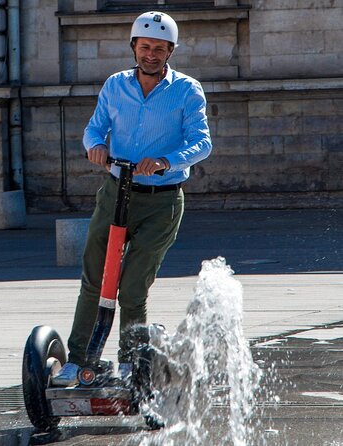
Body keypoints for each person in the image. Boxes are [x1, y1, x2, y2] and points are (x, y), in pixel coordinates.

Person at [52, 11, 213, 386]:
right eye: (145, 47)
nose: (151, 54)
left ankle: (128, 363)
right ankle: (78, 360)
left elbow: (202, 142)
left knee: (134, 285)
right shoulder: (115, 85)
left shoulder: (187, 90)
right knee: (95, 278)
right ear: (134, 47)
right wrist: (95, 146)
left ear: (170, 50)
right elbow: (95, 128)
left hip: (162, 199)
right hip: (115, 192)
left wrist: (165, 161)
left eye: (159, 48)